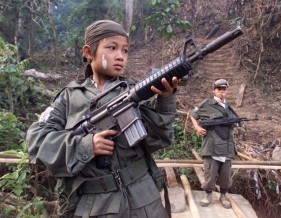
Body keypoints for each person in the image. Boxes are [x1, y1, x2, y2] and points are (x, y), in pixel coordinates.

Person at [26, 20, 179, 218]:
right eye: (112, 48)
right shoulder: (69, 98)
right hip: (95, 206)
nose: (120, 56)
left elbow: (159, 139)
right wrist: (86, 146)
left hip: (145, 201)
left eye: (124, 50)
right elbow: (36, 141)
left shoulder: (132, 91)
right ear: (89, 52)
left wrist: (165, 101)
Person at [189, 78, 238, 209]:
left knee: (225, 174)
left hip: (227, 146)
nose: (222, 92)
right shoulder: (207, 104)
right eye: (219, 89)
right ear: (214, 90)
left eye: (224, 90)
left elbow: (234, 121)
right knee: (210, 173)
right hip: (212, 145)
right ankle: (208, 195)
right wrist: (198, 128)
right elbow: (193, 114)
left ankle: (223, 195)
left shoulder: (228, 107)